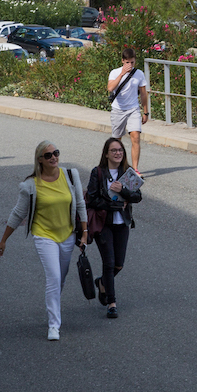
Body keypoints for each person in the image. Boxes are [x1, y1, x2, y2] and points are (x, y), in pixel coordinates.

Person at [0, 141, 87, 341]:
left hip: (68, 235)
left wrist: (85, 232)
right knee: (53, 277)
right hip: (44, 235)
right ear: (40, 160)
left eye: (56, 153)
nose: (53, 157)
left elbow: (80, 203)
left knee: (60, 278)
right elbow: (18, 213)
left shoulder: (71, 175)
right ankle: (54, 325)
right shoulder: (30, 185)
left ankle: (54, 306)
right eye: (48, 155)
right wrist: (4, 240)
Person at [86, 136, 142, 320]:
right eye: (114, 150)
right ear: (106, 154)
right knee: (109, 263)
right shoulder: (98, 172)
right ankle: (112, 303)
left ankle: (102, 282)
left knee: (119, 264)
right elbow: (91, 198)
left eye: (120, 150)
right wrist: (113, 205)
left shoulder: (127, 172)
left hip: (122, 224)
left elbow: (137, 196)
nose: (118, 153)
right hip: (104, 223)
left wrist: (123, 191)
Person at [107, 48, 150, 171]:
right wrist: (122, 74)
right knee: (116, 141)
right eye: (127, 62)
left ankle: (135, 169)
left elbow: (143, 94)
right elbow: (110, 88)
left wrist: (145, 112)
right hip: (118, 110)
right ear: (122, 61)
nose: (130, 65)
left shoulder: (139, 74)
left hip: (133, 109)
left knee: (135, 136)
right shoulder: (115, 73)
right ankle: (115, 167)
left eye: (132, 62)